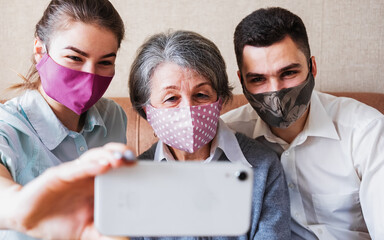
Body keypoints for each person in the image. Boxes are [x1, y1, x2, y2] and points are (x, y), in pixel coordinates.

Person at [221, 7, 384, 240]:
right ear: (242, 81)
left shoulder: (366, 131)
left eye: (288, 73)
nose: (275, 91)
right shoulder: (229, 137)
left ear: (312, 67)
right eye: (258, 79)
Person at [129, 30, 290, 239]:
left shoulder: (263, 166)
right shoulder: (133, 180)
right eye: (171, 98)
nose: (188, 108)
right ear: (147, 111)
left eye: (201, 95)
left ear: (220, 100)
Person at [0, 0, 131, 239]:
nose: (90, 75)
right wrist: (22, 208)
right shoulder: (6, 126)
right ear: (40, 50)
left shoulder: (114, 117)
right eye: (75, 58)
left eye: (105, 62)